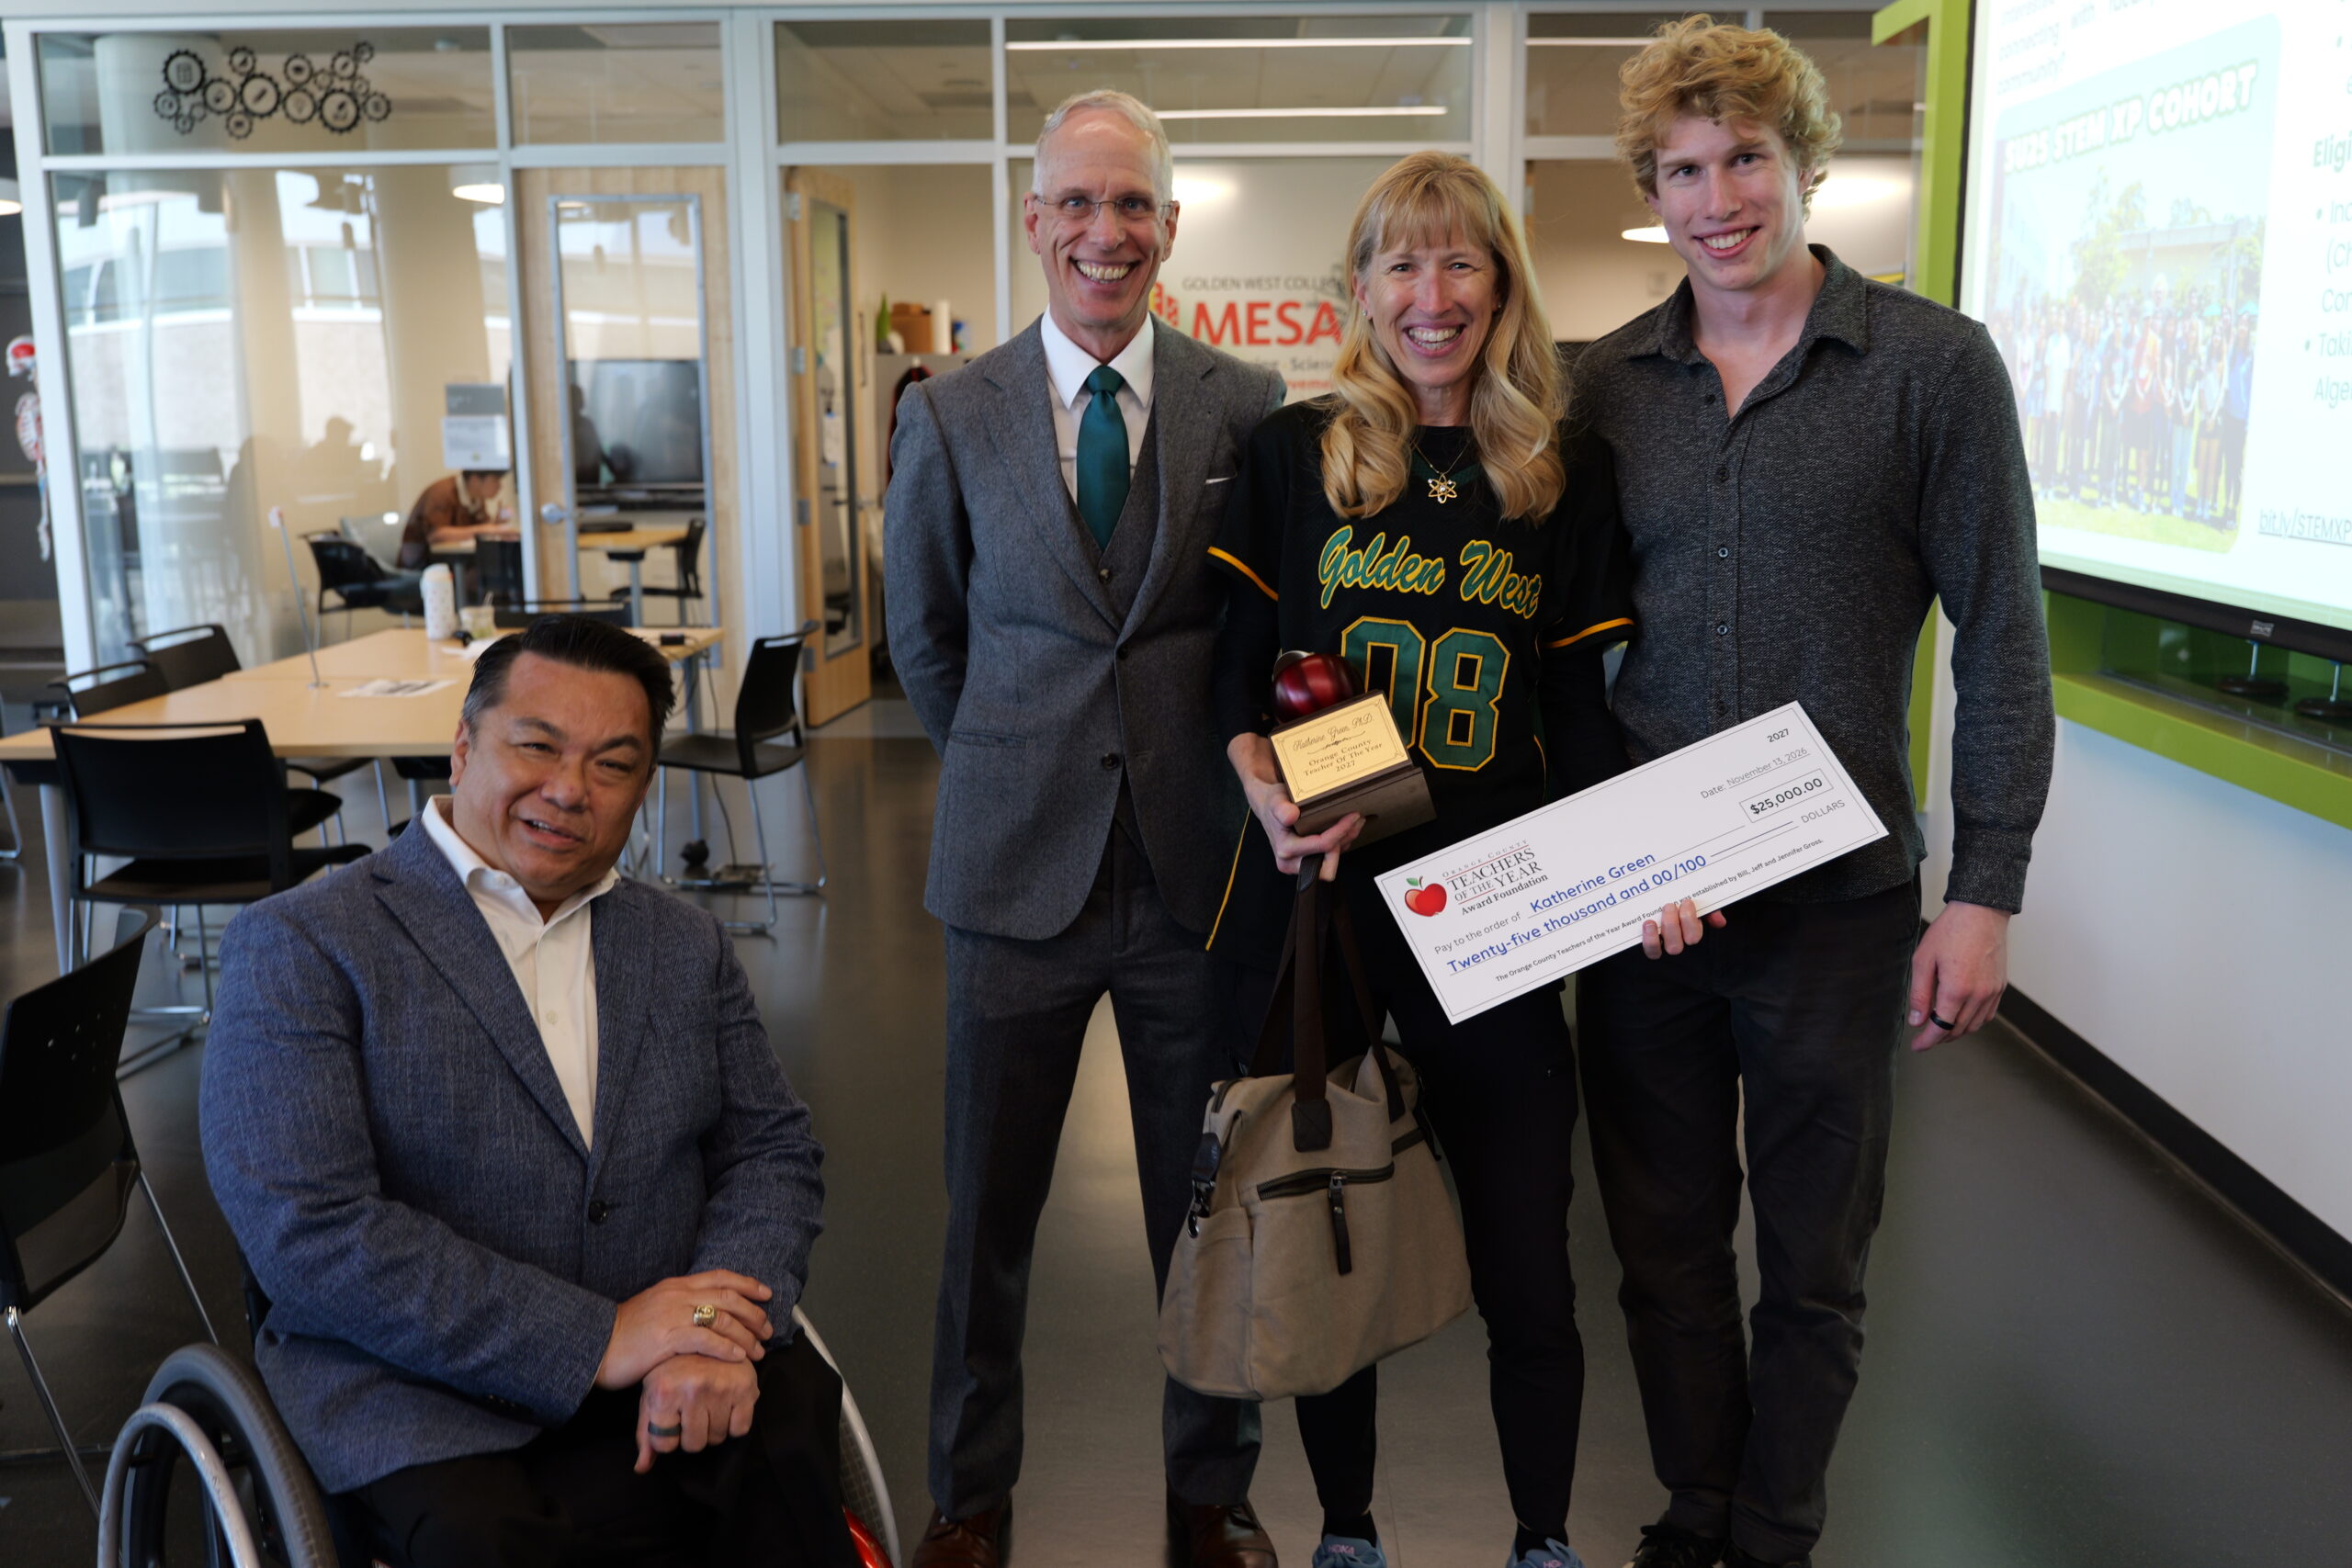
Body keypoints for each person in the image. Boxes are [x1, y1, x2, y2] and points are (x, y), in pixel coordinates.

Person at [1573, 19, 2054, 1568]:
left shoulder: (1930, 368)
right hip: (1647, 912)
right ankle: (1695, 1510)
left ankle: (1775, 1534)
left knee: (1816, 1267)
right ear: (1655, 185)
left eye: (1747, 159)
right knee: (1659, 1255)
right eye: (1686, 168)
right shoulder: (1604, 389)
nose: (1719, 198)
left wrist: (1983, 889)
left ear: (1804, 160)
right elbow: (1559, 643)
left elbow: (2002, 629)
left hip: (1836, 915)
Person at [201, 615, 854, 1568]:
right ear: (462, 747)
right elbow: (311, 1232)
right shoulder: (307, 945)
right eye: (536, 746)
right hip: (419, 1392)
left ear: (643, 789)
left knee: (787, 1449)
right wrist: (600, 1338)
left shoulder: (683, 945)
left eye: (612, 765)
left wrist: (704, 1334)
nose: (568, 791)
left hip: (672, 1365)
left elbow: (771, 1154)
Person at [1208, 151, 1635, 1568]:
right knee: (1336, 1231)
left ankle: (1539, 1537)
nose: (1431, 294)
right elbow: (1231, 684)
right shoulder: (1295, 451)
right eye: (1401, 262)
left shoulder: (1563, 474)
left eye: (1460, 262)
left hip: (1496, 908)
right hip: (1330, 902)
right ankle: (1346, 1530)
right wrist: (1266, 799)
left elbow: (1575, 712)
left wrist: (1602, 882)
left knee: (1529, 1245)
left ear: (1502, 284)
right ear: (1361, 288)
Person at [884, 89, 1287, 1568]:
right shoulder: (953, 411)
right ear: (1035, 219)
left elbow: (1265, 624)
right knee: (985, 1214)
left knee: (1211, 1208)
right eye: (1076, 203)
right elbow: (923, 637)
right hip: (1012, 878)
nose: (1103, 231)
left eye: (1133, 206)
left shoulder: (1248, 408)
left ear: (1171, 230)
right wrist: (1013, 767)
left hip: (1196, 875)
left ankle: (1210, 1493)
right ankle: (970, 1494)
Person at [398, 467, 514, 570]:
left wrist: (495, 525)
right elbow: (436, 534)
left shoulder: (476, 499)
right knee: (488, 572)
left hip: (454, 562)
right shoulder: (442, 492)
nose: (499, 486)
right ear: (475, 480)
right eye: (496, 480)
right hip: (425, 564)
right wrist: (485, 529)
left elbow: (480, 526)